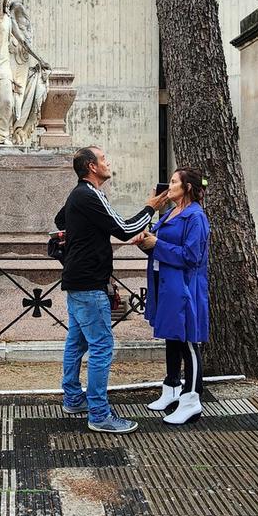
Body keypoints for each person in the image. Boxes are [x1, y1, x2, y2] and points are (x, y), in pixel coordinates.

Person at [54, 146, 167, 433]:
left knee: (77, 342)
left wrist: (89, 234)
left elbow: (61, 220)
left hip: (78, 279)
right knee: (102, 347)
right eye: (103, 159)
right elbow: (124, 229)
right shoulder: (88, 194)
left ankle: (72, 398)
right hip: (90, 282)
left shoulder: (79, 196)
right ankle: (99, 414)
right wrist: (151, 207)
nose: (108, 163)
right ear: (92, 167)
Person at [131, 167, 210, 425]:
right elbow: (160, 248)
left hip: (185, 287)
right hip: (166, 284)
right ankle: (172, 387)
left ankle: (192, 400)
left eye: (175, 182)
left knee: (188, 341)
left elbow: (192, 257)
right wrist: (147, 243)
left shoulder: (195, 216)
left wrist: (158, 245)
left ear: (187, 187)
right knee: (172, 337)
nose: (170, 185)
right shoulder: (171, 213)